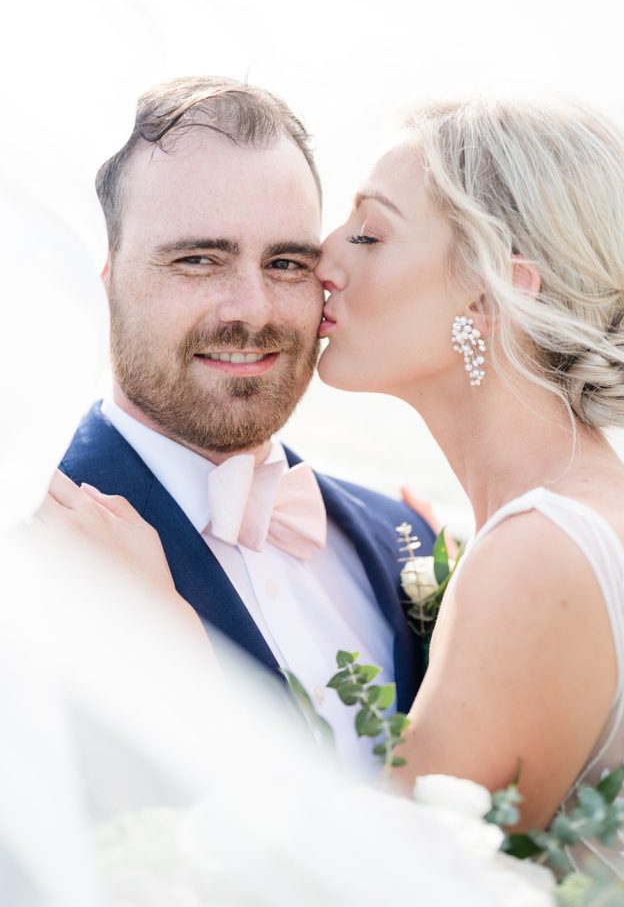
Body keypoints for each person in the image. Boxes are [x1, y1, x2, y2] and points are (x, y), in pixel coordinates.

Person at [315, 95, 624, 901]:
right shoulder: (600, 516)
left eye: (370, 233)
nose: (324, 256)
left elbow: (385, 893)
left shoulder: (543, 552)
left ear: (491, 293)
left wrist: (167, 648)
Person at [52, 75, 433, 771]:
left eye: (287, 263)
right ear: (105, 281)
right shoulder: (32, 550)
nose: (252, 308)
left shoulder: (411, 546)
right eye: (199, 260)